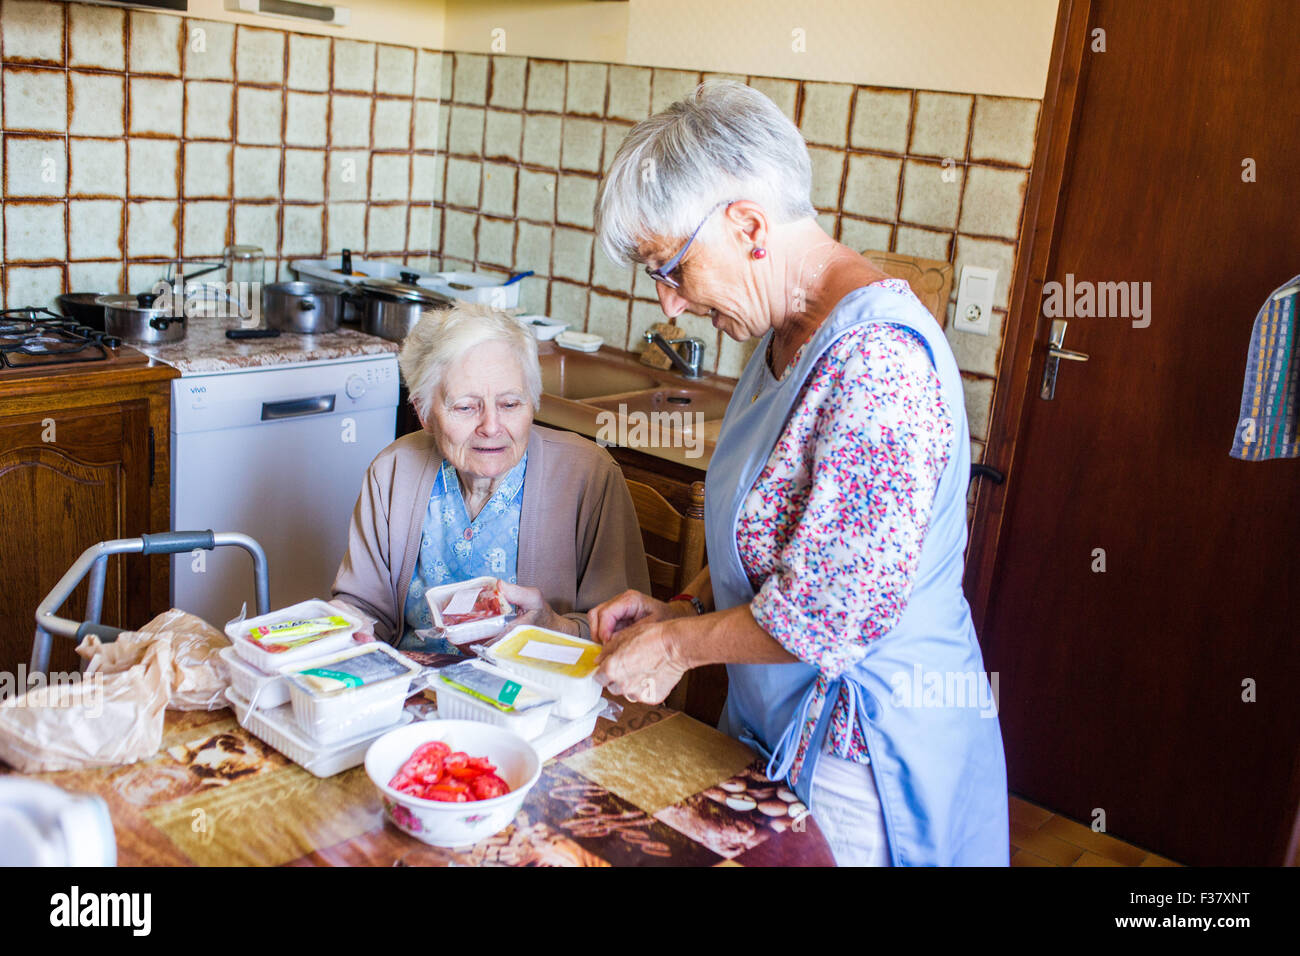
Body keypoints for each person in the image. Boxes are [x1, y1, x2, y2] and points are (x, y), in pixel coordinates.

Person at [587, 81, 1009, 866]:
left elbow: (831, 613)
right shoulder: (780, 332)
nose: (668, 306)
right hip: (777, 720)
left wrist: (678, 650)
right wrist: (677, 606)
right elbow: (769, 532)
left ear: (748, 225)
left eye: (671, 268)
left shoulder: (879, 362)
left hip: (861, 748)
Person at [332, 302, 650, 651]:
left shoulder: (589, 476)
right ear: (424, 412)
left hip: (536, 696)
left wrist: (553, 627)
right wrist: (344, 625)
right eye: (466, 407)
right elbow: (363, 609)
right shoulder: (393, 472)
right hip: (414, 695)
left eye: (511, 404)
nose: (492, 427)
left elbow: (627, 635)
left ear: (533, 402)